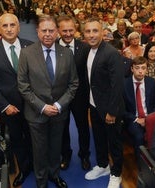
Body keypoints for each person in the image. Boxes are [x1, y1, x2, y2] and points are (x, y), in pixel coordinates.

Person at [18, 14, 78, 188]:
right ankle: (41, 181)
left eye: (51, 31)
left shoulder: (66, 53)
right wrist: (42, 107)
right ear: (37, 32)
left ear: (57, 33)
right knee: (39, 150)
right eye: (44, 30)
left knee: (55, 147)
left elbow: (73, 84)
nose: (48, 34)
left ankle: (54, 174)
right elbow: (23, 86)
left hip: (59, 113)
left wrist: (59, 105)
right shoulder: (27, 53)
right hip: (36, 114)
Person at [0, 13, 33, 187]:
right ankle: (25, 169)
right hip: (9, 107)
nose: (9, 29)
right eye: (5, 26)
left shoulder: (31, 46)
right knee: (17, 140)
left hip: (32, 105)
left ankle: (39, 166)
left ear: (19, 27)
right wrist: (4, 106)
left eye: (13, 25)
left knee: (36, 138)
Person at [83, 17, 124, 188]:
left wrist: (112, 112)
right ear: (84, 34)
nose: (91, 35)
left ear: (102, 32)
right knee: (99, 139)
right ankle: (103, 165)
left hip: (110, 109)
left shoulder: (111, 53)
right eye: (88, 31)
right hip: (94, 105)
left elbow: (117, 85)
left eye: (95, 31)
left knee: (114, 142)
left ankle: (117, 173)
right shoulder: (88, 50)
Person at [56, 15, 91, 171]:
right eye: (64, 31)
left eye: (71, 30)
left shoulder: (85, 48)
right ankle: (65, 154)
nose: (68, 34)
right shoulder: (52, 46)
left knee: (83, 127)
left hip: (80, 96)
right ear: (58, 31)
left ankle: (84, 155)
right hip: (59, 97)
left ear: (76, 30)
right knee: (62, 128)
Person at [123, 56, 155, 159]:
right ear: (132, 69)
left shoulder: (151, 82)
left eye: (143, 68)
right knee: (139, 136)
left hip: (149, 117)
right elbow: (121, 109)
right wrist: (136, 119)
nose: (140, 71)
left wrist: (149, 118)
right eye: (137, 68)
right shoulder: (124, 84)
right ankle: (141, 164)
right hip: (133, 119)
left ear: (147, 69)